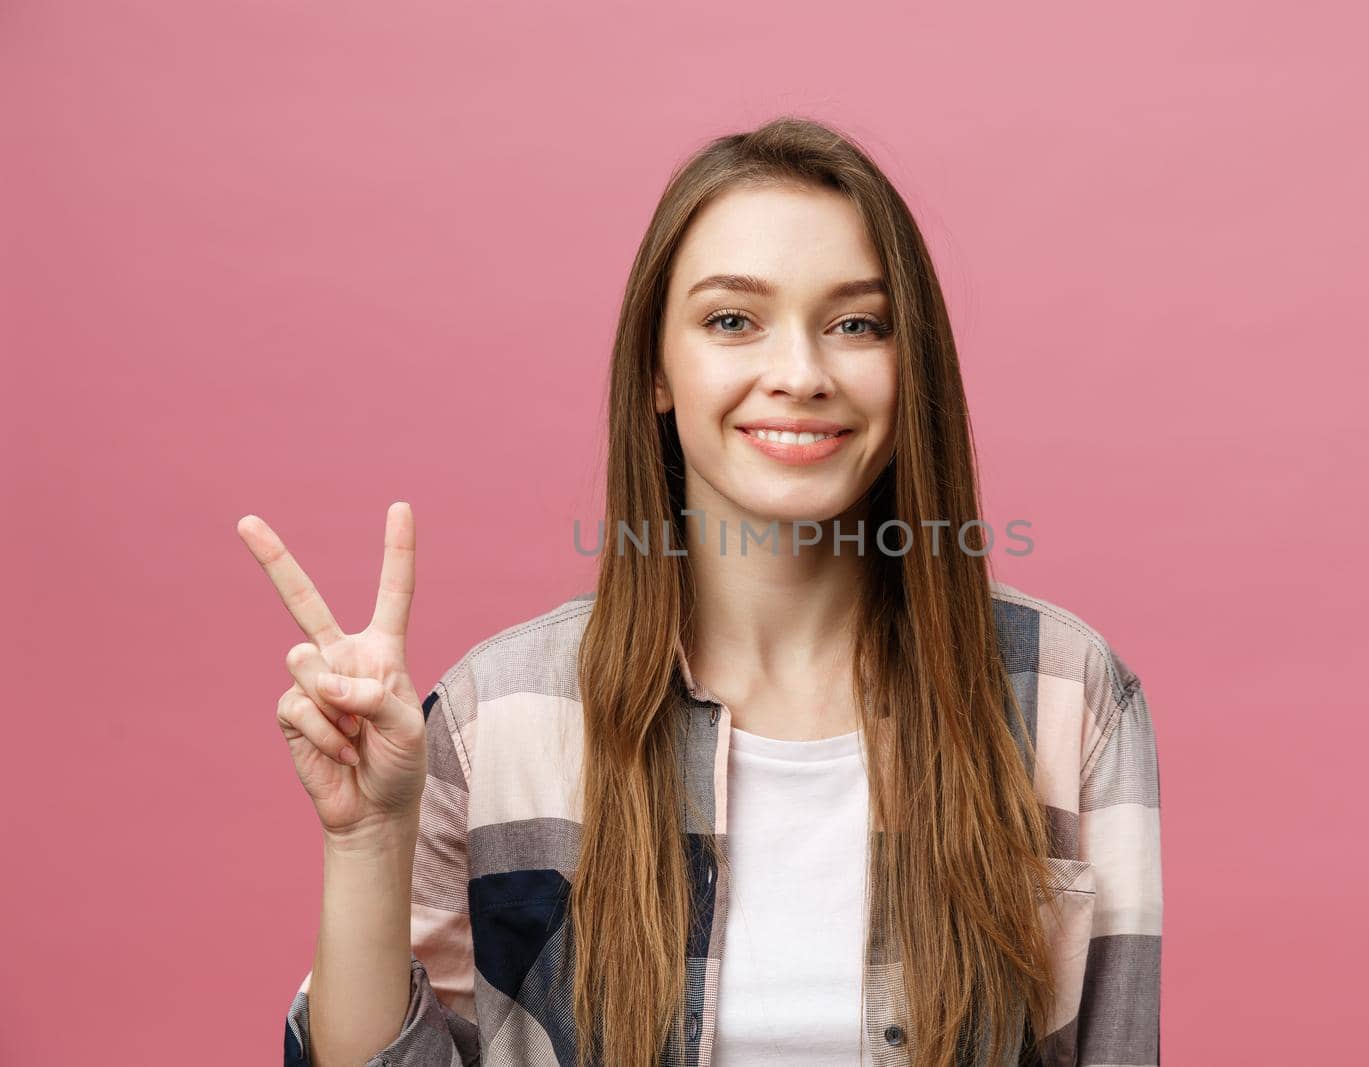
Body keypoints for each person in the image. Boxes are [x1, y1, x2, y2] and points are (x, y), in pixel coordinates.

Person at [239, 116, 1162, 1067]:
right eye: (732, 320)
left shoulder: (1067, 695)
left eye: (856, 323)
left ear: (908, 362)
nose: (800, 374)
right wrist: (364, 844)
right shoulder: (494, 719)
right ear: (656, 371)